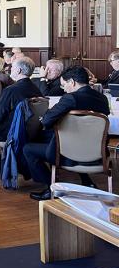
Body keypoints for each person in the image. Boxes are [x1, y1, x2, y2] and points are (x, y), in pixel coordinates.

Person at [25, 66, 109, 201]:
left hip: (69, 153)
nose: (63, 89)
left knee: (28, 148)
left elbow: (46, 121)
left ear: (72, 82)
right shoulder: (102, 98)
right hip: (97, 152)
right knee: (54, 137)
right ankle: (87, 181)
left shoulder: (70, 98)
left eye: (64, 85)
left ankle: (51, 187)